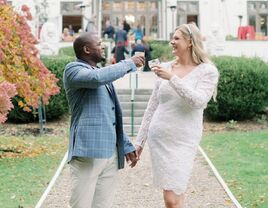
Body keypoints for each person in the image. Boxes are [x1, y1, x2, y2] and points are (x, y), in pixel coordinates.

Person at [135, 23, 219, 208]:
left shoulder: (207, 71)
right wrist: (139, 142)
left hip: (184, 139)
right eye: (172, 38)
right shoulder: (165, 67)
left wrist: (172, 78)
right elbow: (152, 107)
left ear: (190, 42)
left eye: (176, 38)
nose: (172, 42)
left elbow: (198, 101)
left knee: (173, 197)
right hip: (159, 138)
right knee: (174, 196)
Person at [63, 32, 145, 208]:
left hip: (110, 155)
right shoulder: (73, 69)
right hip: (88, 152)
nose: (102, 47)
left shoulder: (102, 74)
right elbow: (96, 79)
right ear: (86, 49)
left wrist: (126, 144)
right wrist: (129, 63)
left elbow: (110, 116)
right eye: (99, 44)